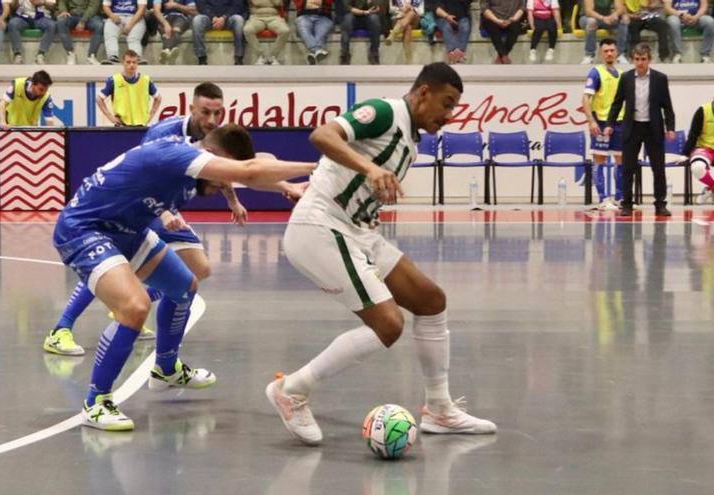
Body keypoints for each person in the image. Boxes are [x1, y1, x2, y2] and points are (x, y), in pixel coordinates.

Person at [265, 63, 497, 446]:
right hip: (321, 227)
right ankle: (291, 390)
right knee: (388, 325)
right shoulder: (386, 113)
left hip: (358, 232)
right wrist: (370, 168)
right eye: (447, 103)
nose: (449, 115)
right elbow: (322, 135)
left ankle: (439, 409)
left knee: (431, 301)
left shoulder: (412, 138)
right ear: (423, 92)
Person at [54, 125, 316, 430]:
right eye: (223, 175)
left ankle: (165, 369)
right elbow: (248, 171)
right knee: (134, 307)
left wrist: (288, 187)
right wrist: (316, 168)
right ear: (213, 156)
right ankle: (96, 402)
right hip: (85, 227)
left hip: (127, 229)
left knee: (184, 285)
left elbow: (244, 174)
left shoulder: (198, 164)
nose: (224, 185)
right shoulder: (179, 155)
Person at [45, 82, 247, 356]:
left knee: (199, 269)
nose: (212, 120)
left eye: (217, 113)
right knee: (111, 261)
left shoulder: (215, 137)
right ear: (192, 108)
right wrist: (164, 214)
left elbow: (223, 168)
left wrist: (233, 201)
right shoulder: (165, 132)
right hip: (150, 209)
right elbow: (146, 175)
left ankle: (127, 303)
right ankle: (62, 329)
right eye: (206, 112)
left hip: (170, 210)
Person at [607, 42, 675, 217]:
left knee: (658, 169)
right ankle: (627, 204)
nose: (640, 63)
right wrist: (609, 124)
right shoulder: (626, 78)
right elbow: (616, 103)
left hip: (653, 127)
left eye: (643, 59)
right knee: (628, 168)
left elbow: (667, 106)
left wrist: (671, 127)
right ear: (632, 60)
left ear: (649, 60)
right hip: (632, 127)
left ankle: (660, 204)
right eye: (636, 59)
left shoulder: (660, 78)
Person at [583, 38, 625, 211]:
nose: (609, 53)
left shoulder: (621, 73)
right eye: (606, 50)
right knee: (600, 159)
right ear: (601, 53)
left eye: (612, 50)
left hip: (619, 122)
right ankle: (602, 199)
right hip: (600, 121)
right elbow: (586, 98)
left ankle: (620, 198)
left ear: (616, 52)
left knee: (621, 159)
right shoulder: (596, 72)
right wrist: (591, 121)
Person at [96, 50, 161, 127]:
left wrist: (150, 116)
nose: (132, 65)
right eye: (128, 62)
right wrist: (110, 117)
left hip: (141, 126)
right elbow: (99, 98)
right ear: (123, 63)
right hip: (121, 126)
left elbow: (158, 98)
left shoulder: (146, 80)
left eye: (134, 62)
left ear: (137, 63)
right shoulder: (114, 80)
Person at [683, 87, 714, 205]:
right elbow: (693, 134)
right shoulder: (703, 111)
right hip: (704, 148)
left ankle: (711, 190)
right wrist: (685, 154)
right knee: (697, 167)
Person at [192, 0, 246, 65]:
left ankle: (239, 57)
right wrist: (213, 17)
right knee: (197, 20)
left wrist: (224, 18)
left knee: (239, 20)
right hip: (209, 18)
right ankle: (202, 58)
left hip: (229, 18)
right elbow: (201, 5)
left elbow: (237, 5)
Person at [578, 0, 629, 64]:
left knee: (624, 19)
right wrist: (603, 18)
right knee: (592, 22)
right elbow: (589, 11)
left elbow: (620, 8)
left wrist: (614, 15)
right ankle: (589, 55)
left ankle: (620, 54)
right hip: (587, 18)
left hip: (606, 18)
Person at [7, 0, 56, 65]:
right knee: (12, 23)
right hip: (24, 17)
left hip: (41, 18)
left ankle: (40, 55)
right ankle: (17, 55)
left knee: (51, 25)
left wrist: (43, 2)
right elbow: (13, 7)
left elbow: (53, 7)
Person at [56, 0, 104, 65]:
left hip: (90, 16)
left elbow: (93, 7)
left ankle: (92, 56)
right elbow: (62, 2)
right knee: (61, 22)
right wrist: (63, 11)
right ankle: (70, 53)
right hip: (72, 15)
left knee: (99, 25)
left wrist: (83, 21)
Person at [243, 0, 289, 65]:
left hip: (274, 17)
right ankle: (261, 56)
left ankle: (273, 56)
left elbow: (278, 3)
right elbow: (256, 2)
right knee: (247, 30)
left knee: (284, 30)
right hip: (257, 17)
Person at [339, 0, 383, 65]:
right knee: (347, 20)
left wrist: (372, 3)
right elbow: (349, 8)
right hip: (353, 16)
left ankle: (374, 53)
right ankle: (345, 53)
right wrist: (365, 11)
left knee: (375, 19)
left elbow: (377, 7)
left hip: (368, 17)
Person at [431, 0, 474, 64]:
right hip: (443, 17)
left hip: (462, 17)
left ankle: (458, 54)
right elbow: (436, 8)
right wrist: (447, 16)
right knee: (447, 27)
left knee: (465, 26)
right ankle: (454, 55)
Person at [293, 0, 335, 64]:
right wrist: (314, 3)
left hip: (324, 17)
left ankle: (313, 55)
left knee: (320, 36)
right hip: (304, 16)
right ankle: (317, 50)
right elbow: (300, 4)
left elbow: (328, 2)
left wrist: (311, 2)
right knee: (304, 29)